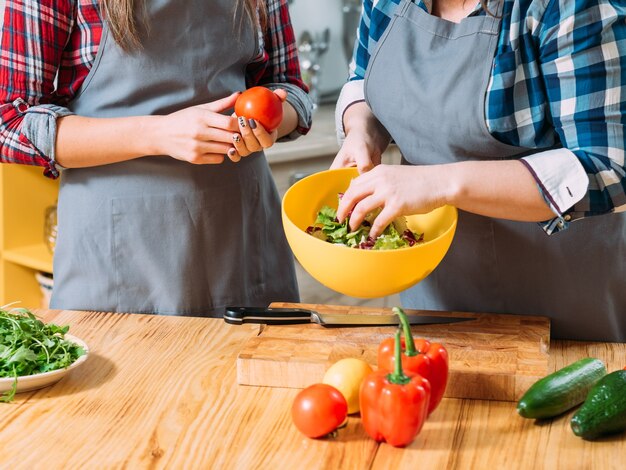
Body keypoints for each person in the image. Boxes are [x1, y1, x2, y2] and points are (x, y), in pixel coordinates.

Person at [333, 0, 625, 342]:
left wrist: (437, 182)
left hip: (558, 288)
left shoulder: (568, 6)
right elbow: (364, 80)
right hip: (434, 284)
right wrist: (362, 130)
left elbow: (609, 167)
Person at [0, 0, 313, 316]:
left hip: (242, 243)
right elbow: (9, 121)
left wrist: (265, 122)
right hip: (117, 257)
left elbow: (292, 91)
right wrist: (158, 133)